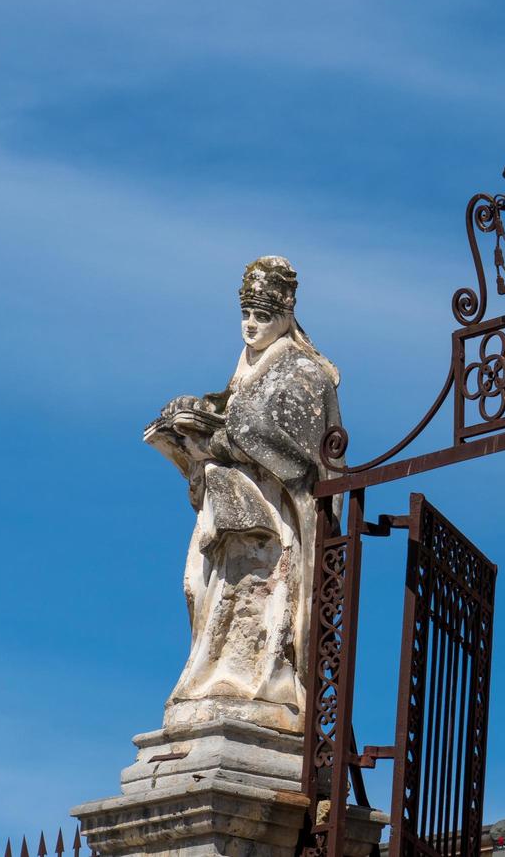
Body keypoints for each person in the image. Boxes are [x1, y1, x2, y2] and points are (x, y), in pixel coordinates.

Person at [145, 256, 342, 732]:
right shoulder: (246, 370)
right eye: (246, 314)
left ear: (286, 313)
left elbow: (298, 457)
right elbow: (235, 413)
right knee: (201, 588)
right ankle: (213, 681)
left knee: (256, 601)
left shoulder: (305, 374)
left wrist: (220, 433)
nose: (251, 326)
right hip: (226, 516)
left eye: (263, 315)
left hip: (274, 524)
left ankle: (265, 688)